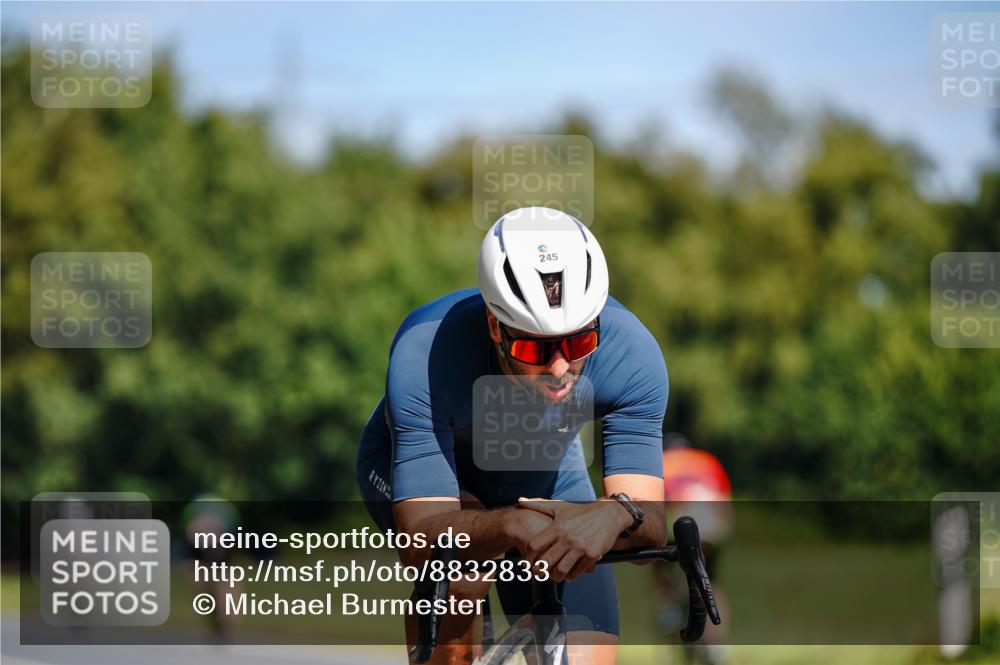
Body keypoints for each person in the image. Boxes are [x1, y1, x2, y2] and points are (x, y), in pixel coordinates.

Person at [356, 207, 670, 665]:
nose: (561, 368)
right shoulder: (425, 355)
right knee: (461, 576)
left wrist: (617, 515)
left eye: (578, 343)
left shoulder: (632, 354)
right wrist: (505, 526)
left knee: (589, 657)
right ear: (493, 327)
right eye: (534, 348)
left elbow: (651, 527)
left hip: (545, 473)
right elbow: (421, 540)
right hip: (440, 483)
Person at [655, 436, 732, 664]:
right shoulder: (706, 460)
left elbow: (655, 505)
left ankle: (668, 610)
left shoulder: (661, 461)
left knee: (661, 571)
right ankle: (717, 649)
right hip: (713, 526)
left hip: (682, 521)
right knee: (712, 584)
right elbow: (726, 504)